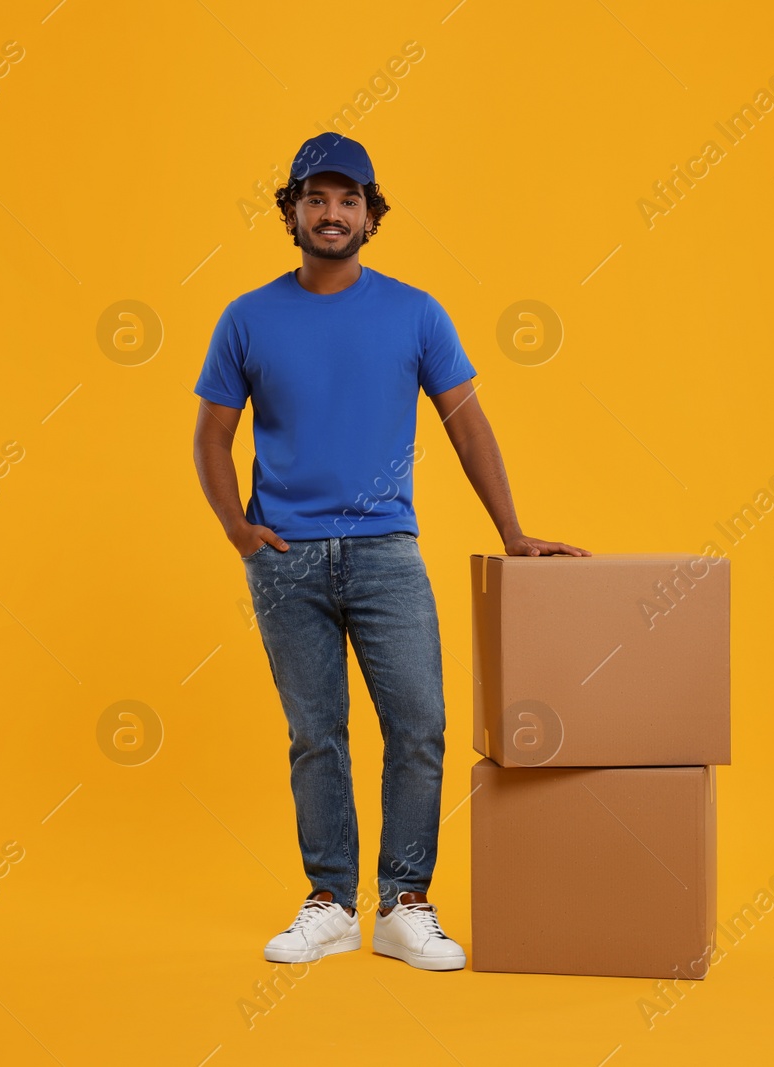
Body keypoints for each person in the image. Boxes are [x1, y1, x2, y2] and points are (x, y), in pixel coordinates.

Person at [192, 132, 589, 972]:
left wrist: (511, 531)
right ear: (292, 211)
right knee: (315, 732)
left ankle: (406, 901)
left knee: (420, 723)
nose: (331, 213)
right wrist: (238, 529)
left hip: (385, 552)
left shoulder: (415, 311)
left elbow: (466, 423)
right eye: (316, 198)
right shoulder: (247, 317)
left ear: (372, 218)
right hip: (287, 556)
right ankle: (331, 903)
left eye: (348, 200)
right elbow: (211, 436)